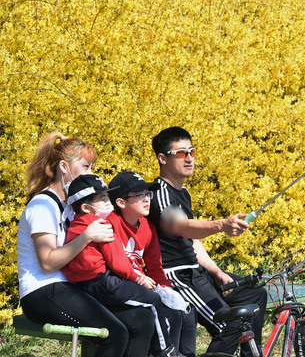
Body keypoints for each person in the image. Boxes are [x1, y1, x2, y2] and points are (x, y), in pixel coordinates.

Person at [17, 132, 155, 357]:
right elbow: (47, 262)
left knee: (142, 320)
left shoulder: (71, 206)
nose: (91, 173)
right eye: (86, 166)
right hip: (42, 291)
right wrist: (87, 237)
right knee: (114, 333)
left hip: (71, 287)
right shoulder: (42, 206)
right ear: (64, 167)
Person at [146, 127, 268, 357]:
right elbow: (181, 226)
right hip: (176, 276)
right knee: (231, 325)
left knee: (255, 295)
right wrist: (221, 225)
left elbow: (191, 240)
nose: (190, 158)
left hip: (197, 273)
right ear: (162, 159)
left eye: (192, 151)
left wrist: (217, 272)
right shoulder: (159, 192)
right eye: (181, 153)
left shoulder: (183, 193)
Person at [62, 174, 185, 357]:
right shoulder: (101, 225)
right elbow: (117, 261)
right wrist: (138, 278)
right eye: (103, 199)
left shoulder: (76, 225)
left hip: (83, 288)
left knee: (147, 310)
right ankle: (164, 350)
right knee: (153, 301)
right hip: (104, 282)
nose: (108, 201)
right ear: (87, 208)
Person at [108, 171, 197, 357]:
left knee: (185, 313)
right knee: (168, 316)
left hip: (145, 287)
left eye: (147, 194)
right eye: (138, 195)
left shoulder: (148, 227)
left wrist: (165, 288)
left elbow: (155, 266)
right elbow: (114, 265)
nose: (146, 199)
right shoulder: (111, 223)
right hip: (123, 288)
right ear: (121, 202)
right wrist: (140, 279)